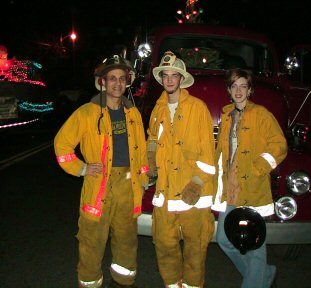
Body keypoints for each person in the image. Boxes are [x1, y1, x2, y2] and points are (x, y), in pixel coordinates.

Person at [54, 55, 149, 288]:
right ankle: (89, 283)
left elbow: (142, 151)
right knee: (92, 241)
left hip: (127, 185)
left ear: (128, 82)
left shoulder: (133, 114)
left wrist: (143, 177)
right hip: (99, 186)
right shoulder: (87, 112)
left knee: (127, 240)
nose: (117, 83)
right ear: (103, 82)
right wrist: (82, 168)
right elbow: (62, 144)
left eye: (122, 79)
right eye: (112, 78)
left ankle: (125, 281)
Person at [212, 68, 287, 288]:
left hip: (253, 187)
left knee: (255, 246)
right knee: (225, 239)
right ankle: (262, 276)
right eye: (234, 86)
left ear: (250, 89)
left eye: (243, 86)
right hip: (231, 188)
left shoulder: (262, 114)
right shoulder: (227, 116)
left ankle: (255, 282)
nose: (238, 90)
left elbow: (279, 145)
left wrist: (258, 168)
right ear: (229, 90)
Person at [147, 51, 216, 288]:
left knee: (195, 250)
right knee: (164, 246)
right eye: (165, 75)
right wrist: (150, 160)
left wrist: (197, 183)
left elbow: (208, 151)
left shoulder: (198, 108)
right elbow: (153, 139)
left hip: (192, 194)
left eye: (173, 75)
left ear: (181, 79)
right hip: (165, 193)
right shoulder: (158, 110)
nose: (169, 80)